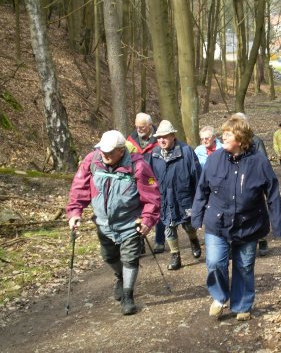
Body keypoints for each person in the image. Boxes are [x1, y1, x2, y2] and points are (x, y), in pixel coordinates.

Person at [191, 116, 281, 321]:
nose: (223, 137)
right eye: (223, 133)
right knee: (215, 263)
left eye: (228, 134)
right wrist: (197, 216)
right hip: (217, 223)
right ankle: (219, 297)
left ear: (241, 138)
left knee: (244, 266)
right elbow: (202, 189)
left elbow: (272, 193)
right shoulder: (215, 159)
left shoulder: (258, 161)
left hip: (249, 224)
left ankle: (242, 305)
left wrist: (278, 225)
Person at [67, 130, 160, 315]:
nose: (105, 155)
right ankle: (119, 276)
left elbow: (152, 197)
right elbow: (79, 188)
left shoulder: (138, 166)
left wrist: (148, 220)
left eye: (110, 152)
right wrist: (75, 212)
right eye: (103, 151)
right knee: (109, 256)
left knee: (130, 258)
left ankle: (128, 295)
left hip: (130, 223)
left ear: (121, 150)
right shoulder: (92, 161)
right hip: (103, 224)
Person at [149, 120, 202, 270]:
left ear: (173, 136)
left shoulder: (186, 151)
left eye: (165, 136)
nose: (161, 140)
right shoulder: (154, 154)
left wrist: (200, 199)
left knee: (189, 225)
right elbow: (150, 178)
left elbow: (197, 176)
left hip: (185, 197)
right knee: (169, 226)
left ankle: (194, 240)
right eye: (159, 137)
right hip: (165, 198)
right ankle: (175, 255)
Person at [232, 112, 269, 256]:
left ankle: (262, 239)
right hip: (235, 182)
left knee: (257, 211)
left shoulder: (256, 140)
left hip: (252, 182)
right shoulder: (230, 142)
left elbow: (263, 162)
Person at [125, 113, 162, 254]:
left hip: (156, 178)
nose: (139, 129)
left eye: (142, 127)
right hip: (137, 179)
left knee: (157, 209)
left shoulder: (159, 138)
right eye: (137, 126)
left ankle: (159, 241)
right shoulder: (131, 139)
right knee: (138, 213)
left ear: (150, 125)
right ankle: (139, 243)